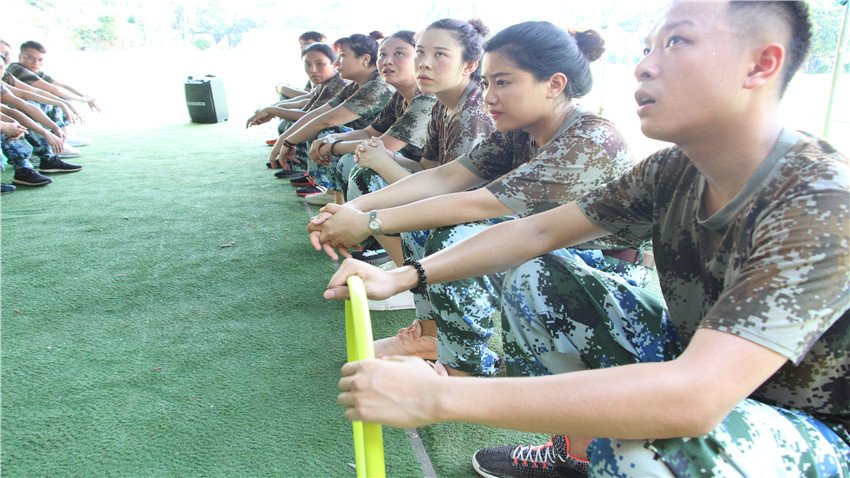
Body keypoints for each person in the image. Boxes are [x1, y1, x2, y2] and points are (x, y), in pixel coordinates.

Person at [328, 2, 849, 477]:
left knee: (653, 449)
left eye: (677, 43)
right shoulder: (673, 168)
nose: (643, 66)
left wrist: (441, 398)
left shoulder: (821, 200)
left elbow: (697, 397)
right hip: (698, 355)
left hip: (817, 428)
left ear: (760, 65)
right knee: (541, 276)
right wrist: (398, 275)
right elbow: (537, 231)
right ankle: (574, 455)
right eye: (646, 48)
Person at [310, 21, 647, 380]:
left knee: (457, 232)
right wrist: (355, 208)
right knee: (423, 218)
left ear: (555, 84)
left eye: (502, 82)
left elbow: (478, 204)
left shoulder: (589, 140)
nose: (488, 96)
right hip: (552, 247)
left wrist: (371, 221)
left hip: (604, 271)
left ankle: (463, 369)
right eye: (487, 83)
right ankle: (431, 335)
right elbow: (445, 177)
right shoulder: (520, 130)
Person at [307, 17, 494, 266]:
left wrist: (384, 164)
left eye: (440, 54)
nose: (424, 64)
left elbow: (452, 196)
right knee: (366, 171)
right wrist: (389, 158)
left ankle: (411, 276)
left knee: (371, 175)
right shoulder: (442, 103)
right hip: (456, 200)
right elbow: (431, 170)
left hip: (482, 220)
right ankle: (403, 265)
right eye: (420, 53)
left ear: (469, 65)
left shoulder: (473, 113)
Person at [303, 30, 438, 206]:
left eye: (399, 53)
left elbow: (384, 146)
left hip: (432, 184)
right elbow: (369, 132)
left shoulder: (427, 98)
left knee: (354, 159)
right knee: (331, 135)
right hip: (416, 171)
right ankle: (343, 206)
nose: (387, 61)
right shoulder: (399, 96)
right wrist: (332, 139)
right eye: (382, 54)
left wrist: (333, 146)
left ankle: (366, 221)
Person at [268, 32, 394, 194]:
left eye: (342, 55)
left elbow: (327, 120)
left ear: (365, 59)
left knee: (327, 131)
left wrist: (287, 142)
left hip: (387, 147)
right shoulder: (356, 85)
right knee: (324, 132)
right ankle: (332, 193)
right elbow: (316, 114)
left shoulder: (378, 85)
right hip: (370, 139)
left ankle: (335, 194)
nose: (336, 62)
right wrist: (283, 141)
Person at [246, 43, 348, 147]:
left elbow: (310, 117)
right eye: (308, 64)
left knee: (310, 129)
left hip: (351, 137)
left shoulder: (337, 84)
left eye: (320, 64)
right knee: (292, 125)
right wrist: (272, 109)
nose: (313, 70)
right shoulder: (324, 83)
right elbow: (307, 111)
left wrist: (271, 110)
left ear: (335, 65)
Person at [7, 40, 100, 150]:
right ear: (20, 57)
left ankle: (64, 136)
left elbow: (62, 86)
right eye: (30, 58)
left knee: (62, 97)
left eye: (40, 59)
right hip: (16, 106)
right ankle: (52, 143)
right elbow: (53, 90)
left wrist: (87, 98)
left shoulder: (35, 71)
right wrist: (82, 100)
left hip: (25, 102)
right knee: (51, 102)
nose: (36, 63)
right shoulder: (17, 69)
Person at [276, 31, 328, 101]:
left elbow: (313, 98)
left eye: (307, 43)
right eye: (301, 44)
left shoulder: (326, 67)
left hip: (322, 106)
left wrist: (282, 88)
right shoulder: (311, 68)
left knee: (284, 91)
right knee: (285, 94)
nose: (302, 46)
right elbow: (308, 91)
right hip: (311, 103)